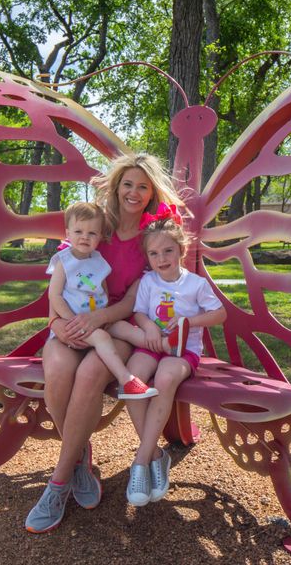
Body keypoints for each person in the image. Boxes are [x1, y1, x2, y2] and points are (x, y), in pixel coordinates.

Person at [25, 153, 184, 534]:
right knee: (60, 369)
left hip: (119, 325)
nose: (134, 192)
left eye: (142, 186)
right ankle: (81, 458)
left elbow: (132, 297)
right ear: (116, 186)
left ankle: (59, 482)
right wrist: (56, 321)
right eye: (127, 184)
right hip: (71, 319)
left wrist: (100, 319)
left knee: (91, 373)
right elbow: (62, 273)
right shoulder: (97, 224)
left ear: (150, 194)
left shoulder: (151, 236)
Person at [117, 215, 227, 507]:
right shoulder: (148, 282)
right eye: (154, 253)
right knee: (132, 378)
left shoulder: (195, 284)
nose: (161, 258)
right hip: (153, 345)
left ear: (181, 249)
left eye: (167, 250)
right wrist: (149, 327)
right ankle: (156, 455)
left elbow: (219, 313)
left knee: (165, 378)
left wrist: (188, 321)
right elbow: (140, 313)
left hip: (182, 351)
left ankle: (140, 461)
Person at [46, 201, 158, 400]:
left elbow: (103, 292)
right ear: (68, 233)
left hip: (96, 322)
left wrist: (103, 318)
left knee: (124, 328)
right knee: (103, 339)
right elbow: (54, 295)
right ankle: (127, 381)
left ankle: (165, 345)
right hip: (76, 323)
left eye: (92, 233)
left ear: (100, 237)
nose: (84, 237)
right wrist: (72, 321)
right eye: (78, 231)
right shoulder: (63, 261)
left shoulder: (99, 261)